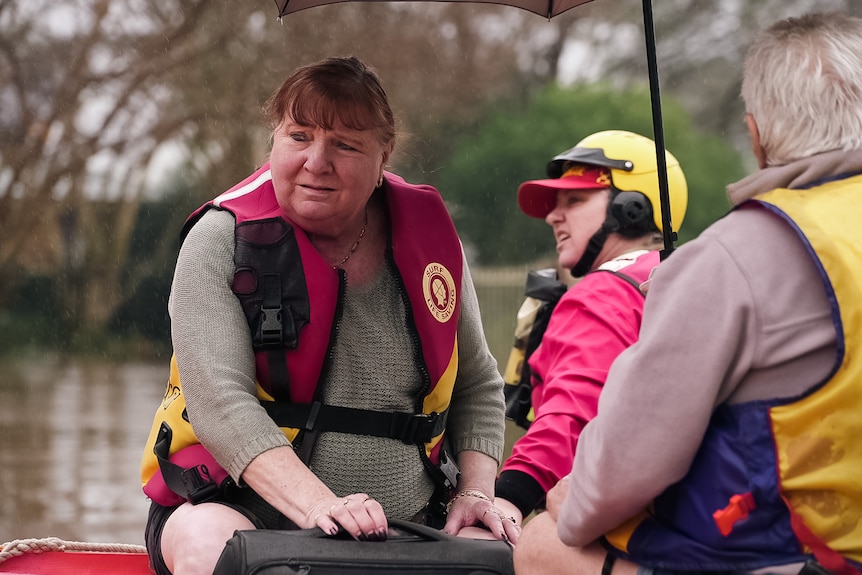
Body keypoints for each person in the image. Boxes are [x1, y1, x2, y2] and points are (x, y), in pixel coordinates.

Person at [514, 11, 862, 575]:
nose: (554, 214)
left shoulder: (731, 257)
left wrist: (537, 497)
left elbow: (621, 459)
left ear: (755, 135)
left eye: (574, 200)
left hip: (795, 558)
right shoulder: (676, 267)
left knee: (541, 543)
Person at [138, 56, 516, 575]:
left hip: (413, 522)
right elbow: (221, 405)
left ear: (384, 156)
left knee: (503, 551)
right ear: (273, 138)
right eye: (298, 136)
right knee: (210, 544)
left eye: (344, 144)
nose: (316, 161)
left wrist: (476, 491)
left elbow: (477, 385)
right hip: (242, 512)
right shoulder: (218, 239)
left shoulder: (429, 240)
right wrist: (320, 506)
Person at [489, 130, 688, 529]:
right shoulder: (686, 278)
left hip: (628, 527)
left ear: (631, 209)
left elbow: (573, 417)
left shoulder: (601, 293)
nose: (552, 216)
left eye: (574, 200)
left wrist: (508, 498)